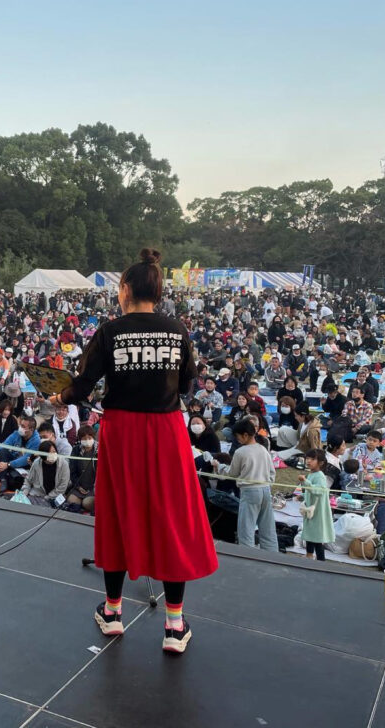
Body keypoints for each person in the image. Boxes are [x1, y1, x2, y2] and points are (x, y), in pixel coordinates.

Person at [52, 248, 217, 655]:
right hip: (166, 432)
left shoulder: (110, 332)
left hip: (122, 431)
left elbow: (83, 384)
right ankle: (174, 626)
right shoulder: (177, 330)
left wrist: (59, 394)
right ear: (158, 291)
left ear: (125, 289)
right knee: (171, 518)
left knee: (118, 514)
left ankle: (112, 614)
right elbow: (186, 385)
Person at [227, 418, 279, 553]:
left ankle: (248, 559)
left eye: (238, 437)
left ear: (245, 435)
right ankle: (273, 557)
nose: (237, 440)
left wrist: (218, 466)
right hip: (265, 490)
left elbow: (232, 473)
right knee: (268, 528)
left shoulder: (240, 452)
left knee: (246, 529)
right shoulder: (263, 449)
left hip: (250, 492)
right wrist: (267, 485)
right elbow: (272, 472)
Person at [297, 449, 335, 561]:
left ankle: (321, 560)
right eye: (307, 458)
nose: (308, 461)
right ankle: (309, 555)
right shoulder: (312, 474)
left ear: (321, 462)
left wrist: (306, 482)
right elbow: (310, 491)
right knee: (309, 533)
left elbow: (319, 491)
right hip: (310, 509)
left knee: (317, 537)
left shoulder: (320, 476)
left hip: (318, 511)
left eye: (312, 459)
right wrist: (303, 496)